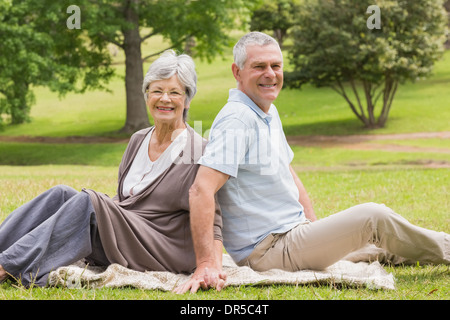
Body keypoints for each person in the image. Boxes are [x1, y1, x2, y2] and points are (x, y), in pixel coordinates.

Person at [174, 31, 449, 294]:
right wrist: (207, 264)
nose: (270, 74)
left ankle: (432, 253)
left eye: (276, 66)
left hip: (294, 234)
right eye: (259, 66)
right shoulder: (238, 119)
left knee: (384, 243)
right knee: (374, 217)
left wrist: (314, 230)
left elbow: (288, 170)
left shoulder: (265, 109)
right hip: (267, 250)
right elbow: (201, 190)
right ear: (237, 72)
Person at [0, 50, 223, 287]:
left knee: (89, 201)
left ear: (187, 99)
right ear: (147, 95)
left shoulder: (197, 149)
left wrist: (210, 265)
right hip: (126, 231)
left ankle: (7, 266)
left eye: (174, 93)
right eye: (157, 91)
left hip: (163, 245)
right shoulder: (138, 139)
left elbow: (214, 217)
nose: (164, 99)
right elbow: (125, 199)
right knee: (61, 193)